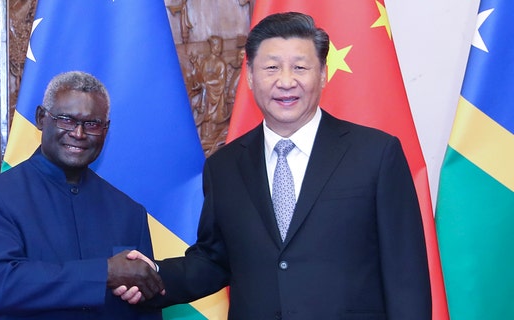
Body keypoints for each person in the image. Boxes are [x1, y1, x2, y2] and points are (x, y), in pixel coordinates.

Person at [119, 12, 432, 319]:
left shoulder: (376, 153)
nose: (286, 81)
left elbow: (405, 273)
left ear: (322, 74)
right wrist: (154, 275)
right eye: (271, 68)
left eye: (299, 67)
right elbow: (214, 260)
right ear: (252, 77)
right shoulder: (224, 166)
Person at [0, 71, 164, 320]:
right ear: (41, 118)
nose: (79, 134)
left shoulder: (129, 212)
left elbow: (145, 307)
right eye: (66, 120)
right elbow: (4, 286)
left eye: (92, 124)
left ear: (106, 130)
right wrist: (106, 273)